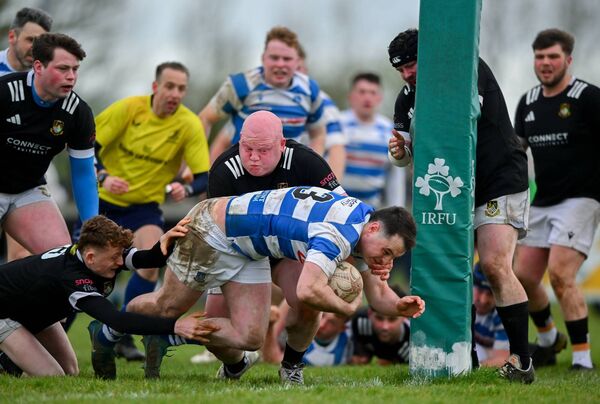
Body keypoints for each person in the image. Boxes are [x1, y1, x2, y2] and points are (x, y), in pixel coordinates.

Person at [95, 186, 425, 383]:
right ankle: (111, 331)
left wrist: (398, 306)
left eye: (393, 257)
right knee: (165, 306)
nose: (386, 262)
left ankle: (176, 336)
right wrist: (350, 308)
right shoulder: (338, 234)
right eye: (385, 252)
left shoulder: (364, 224)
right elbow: (308, 290)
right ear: (373, 229)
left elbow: (378, 293)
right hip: (212, 231)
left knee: (250, 338)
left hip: (250, 249)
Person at [387, 29, 533, 383]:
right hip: (454, 191)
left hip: (499, 180)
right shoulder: (406, 99)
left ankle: (522, 360)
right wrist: (400, 153)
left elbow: (457, 127)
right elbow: (404, 155)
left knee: (496, 266)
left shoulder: (468, 70)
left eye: (412, 64)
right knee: (452, 268)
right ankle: (462, 356)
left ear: (431, 55)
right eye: (400, 69)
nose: (407, 74)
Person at [198, 110, 347, 376]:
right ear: (240, 140)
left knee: (308, 300)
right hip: (240, 252)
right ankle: (236, 364)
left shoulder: (307, 162)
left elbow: (342, 209)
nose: (253, 158)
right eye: (247, 148)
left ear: (281, 144)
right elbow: (220, 234)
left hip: (286, 250)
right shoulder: (223, 171)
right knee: (212, 328)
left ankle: (292, 365)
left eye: (263, 150)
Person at [90, 61, 210, 360]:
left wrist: (187, 189)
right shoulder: (129, 109)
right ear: (156, 87)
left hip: (144, 208)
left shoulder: (188, 123)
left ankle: (122, 335)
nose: (175, 93)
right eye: (169, 86)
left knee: (151, 261)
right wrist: (104, 176)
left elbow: (203, 176)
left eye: (181, 88)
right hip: (102, 204)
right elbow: (87, 145)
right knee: (87, 271)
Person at [0, 215, 213, 378]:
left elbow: (149, 259)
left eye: (121, 254)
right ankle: (6, 359)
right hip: (5, 312)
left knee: (70, 371)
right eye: (115, 257)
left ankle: (10, 359)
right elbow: (117, 320)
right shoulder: (73, 278)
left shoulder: (103, 256)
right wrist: (175, 326)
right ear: (91, 257)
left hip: (34, 312)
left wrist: (166, 240)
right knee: (52, 376)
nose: (121, 262)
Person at [513, 29, 600, 371]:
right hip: (542, 200)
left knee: (561, 274)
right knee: (522, 276)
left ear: (568, 59)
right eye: (539, 56)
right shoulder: (528, 102)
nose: (545, 63)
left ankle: (582, 360)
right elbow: (517, 152)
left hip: (582, 198)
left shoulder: (588, 98)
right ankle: (549, 339)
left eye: (552, 56)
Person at [0, 33, 98, 263]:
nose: (71, 77)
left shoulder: (78, 113)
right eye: (63, 68)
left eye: (75, 69)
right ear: (38, 66)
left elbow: (83, 174)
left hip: (28, 191)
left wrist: (93, 227)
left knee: (64, 263)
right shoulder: (5, 92)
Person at [200, 26, 327, 161]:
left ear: (297, 62)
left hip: (288, 177)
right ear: (263, 58)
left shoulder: (310, 90)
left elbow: (318, 134)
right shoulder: (241, 85)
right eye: (274, 57)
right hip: (244, 174)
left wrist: (312, 166)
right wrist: (197, 166)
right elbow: (205, 118)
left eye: (287, 59)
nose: (280, 64)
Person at [0, 7, 64, 263]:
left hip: (25, 182)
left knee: (24, 257)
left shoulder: (47, 81)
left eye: (41, 42)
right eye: (30, 40)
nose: (35, 47)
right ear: (12, 37)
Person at [340, 72, 406, 208]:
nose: (367, 98)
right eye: (362, 92)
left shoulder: (389, 131)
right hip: (338, 206)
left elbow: (395, 176)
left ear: (379, 98)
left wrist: (397, 209)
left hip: (371, 209)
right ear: (351, 97)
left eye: (372, 93)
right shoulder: (337, 125)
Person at [350, 286, 410, 365]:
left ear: (405, 317)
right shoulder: (360, 321)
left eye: (392, 319)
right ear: (370, 313)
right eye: (379, 318)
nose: (385, 327)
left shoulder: (411, 341)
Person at [472, 264, 510, 367]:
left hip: (493, 353)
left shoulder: (502, 314)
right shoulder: (462, 304)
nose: (483, 300)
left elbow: (503, 360)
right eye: (480, 291)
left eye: (490, 293)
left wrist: (470, 368)